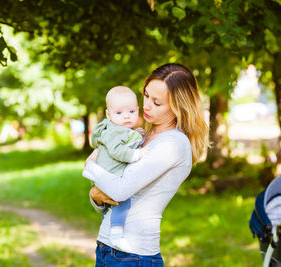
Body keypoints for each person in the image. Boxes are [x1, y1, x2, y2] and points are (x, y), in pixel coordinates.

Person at [83, 63, 209, 266]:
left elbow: (120, 190)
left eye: (157, 102)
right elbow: (108, 197)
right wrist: (95, 197)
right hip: (106, 248)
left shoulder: (173, 144)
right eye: (146, 95)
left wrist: (90, 167)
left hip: (133, 256)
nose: (147, 106)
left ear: (178, 107)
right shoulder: (139, 137)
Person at [83, 86, 148, 252]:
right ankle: (117, 235)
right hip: (111, 174)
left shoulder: (121, 129)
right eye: (119, 113)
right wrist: (137, 155)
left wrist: (137, 134)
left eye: (131, 111)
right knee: (122, 202)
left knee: (115, 205)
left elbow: (129, 139)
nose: (126, 116)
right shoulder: (113, 132)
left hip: (110, 174)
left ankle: (114, 232)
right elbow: (117, 151)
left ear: (137, 110)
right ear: (108, 115)